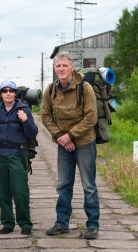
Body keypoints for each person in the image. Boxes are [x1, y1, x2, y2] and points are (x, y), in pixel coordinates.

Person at [41, 51, 100, 239]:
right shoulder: (51, 89)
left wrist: (70, 136)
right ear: (54, 68)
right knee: (64, 184)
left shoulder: (86, 87)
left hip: (84, 142)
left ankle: (92, 225)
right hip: (63, 143)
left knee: (88, 185)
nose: (61, 69)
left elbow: (91, 117)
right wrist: (59, 136)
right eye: (58, 66)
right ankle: (61, 223)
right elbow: (45, 116)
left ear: (72, 67)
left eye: (64, 65)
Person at [0, 80, 38, 235]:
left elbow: (32, 133)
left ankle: (25, 223)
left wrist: (25, 120)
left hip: (17, 155)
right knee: (3, 192)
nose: (8, 93)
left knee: (20, 191)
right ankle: (7, 223)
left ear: (15, 94)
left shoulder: (24, 110)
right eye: (5, 90)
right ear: (0, 94)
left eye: (11, 90)